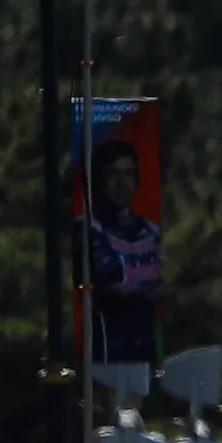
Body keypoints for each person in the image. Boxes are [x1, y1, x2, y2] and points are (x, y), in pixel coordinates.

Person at [83, 135, 163, 366]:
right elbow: (114, 279)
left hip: (145, 343)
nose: (121, 183)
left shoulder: (150, 228)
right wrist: (149, 280)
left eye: (128, 174)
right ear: (99, 180)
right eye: (112, 174)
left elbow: (168, 274)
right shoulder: (89, 227)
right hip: (108, 347)